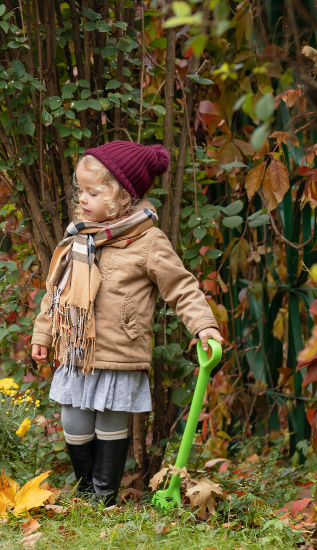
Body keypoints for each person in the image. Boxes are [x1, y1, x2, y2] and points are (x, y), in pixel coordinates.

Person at [30, 141, 225, 505]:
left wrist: (204, 326)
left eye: (93, 192)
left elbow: (180, 286)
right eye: (81, 191)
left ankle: (102, 498)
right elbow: (56, 291)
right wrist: (43, 333)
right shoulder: (79, 237)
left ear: (122, 197)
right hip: (77, 351)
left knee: (110, 427)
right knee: (73, 422)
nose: (83, 199)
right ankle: (87, 489)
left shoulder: (148, 241)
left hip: (121, 352)